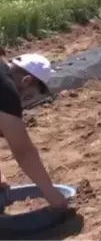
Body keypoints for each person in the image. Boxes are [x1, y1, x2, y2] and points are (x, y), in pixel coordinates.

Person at [0, 53, 70, 210]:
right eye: (28, 95)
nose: (24, 100)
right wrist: (51, 193)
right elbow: (23, 151)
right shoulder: (6, 91)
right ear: (27, 81)